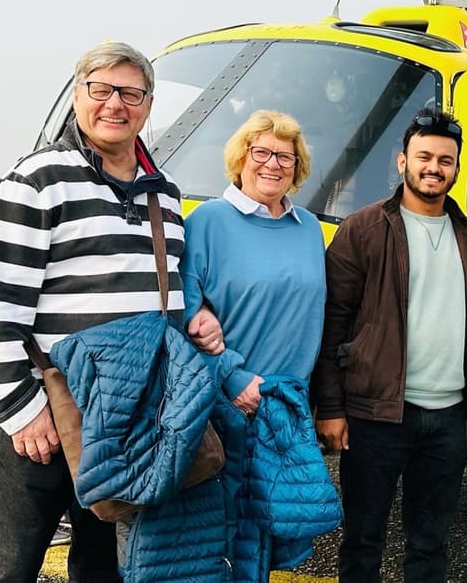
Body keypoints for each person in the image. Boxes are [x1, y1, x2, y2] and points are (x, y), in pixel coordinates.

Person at [0, 42, 218, 582]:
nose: (114, 104)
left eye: (130, 93)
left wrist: (198, 317)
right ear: (78, 96)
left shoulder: (164, 195)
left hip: (128, 414)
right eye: (100, 90)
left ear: (148, 104)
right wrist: (20, 410)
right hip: (51, 410)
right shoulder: (37, 179)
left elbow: (160, 300)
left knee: (104, 566)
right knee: (6, 568)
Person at [312, 106, 467, 583]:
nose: (434, 167)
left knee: (430, 546)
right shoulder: (362, 230)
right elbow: (333, 323)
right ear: (401, 160)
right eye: (424, 156)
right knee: (363, 541)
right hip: (375, 417)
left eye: (445, 160)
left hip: (449, 417)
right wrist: (330, 407)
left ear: (455, 168)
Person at [180, 109, 339, 581]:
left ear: (298, 166)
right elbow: (183, 313)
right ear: (241, 158)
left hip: (287, 406)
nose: (273, 164)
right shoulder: (208, 220)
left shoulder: (308, 227)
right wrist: (231, 377)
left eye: (284, 157)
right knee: (224, 538)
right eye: (261, 152)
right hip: (231, 403)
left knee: (270, 535)